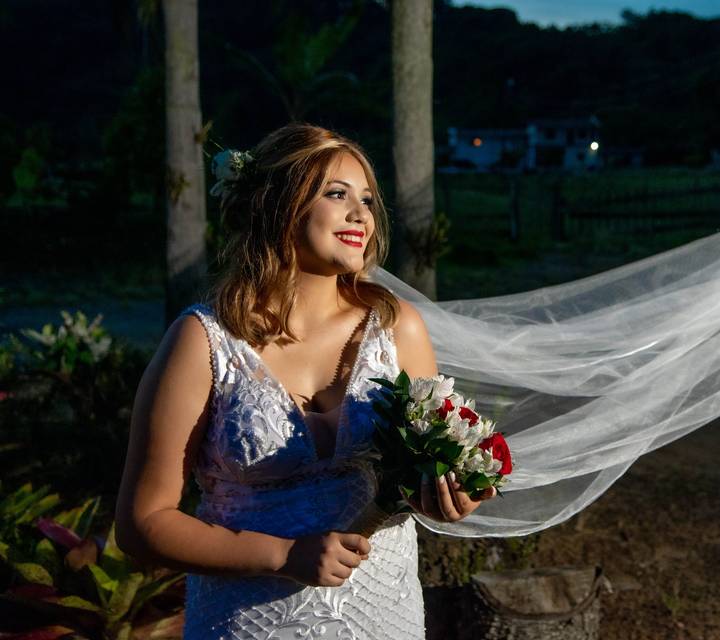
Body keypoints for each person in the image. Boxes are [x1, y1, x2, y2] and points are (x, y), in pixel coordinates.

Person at [115, 123, 494, 639]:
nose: (360, 213)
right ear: (278, 205)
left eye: (366, 198)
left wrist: (447, 495)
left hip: (381, 614)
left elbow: (418, 471)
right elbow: (143, 523)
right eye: (336, 194)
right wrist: (280, 555)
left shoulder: (396, 328)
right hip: (245, 620)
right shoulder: (202, 341)